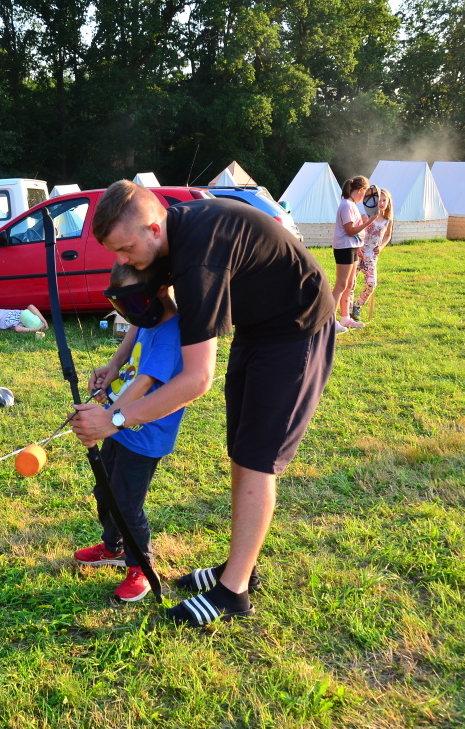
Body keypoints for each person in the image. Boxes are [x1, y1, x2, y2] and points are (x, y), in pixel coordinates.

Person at [71, 180, 335, 627]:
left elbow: (196, 380)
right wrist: (116, 363)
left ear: (153, 228)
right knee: (241, 452)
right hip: (258, 330)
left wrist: (115, 419)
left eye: (125, 249)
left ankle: (234, 592)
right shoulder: (163, 241)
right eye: (116, 252)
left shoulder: (197, 257)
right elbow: (149, 308)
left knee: (257, 460)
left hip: (297, 329)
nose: (122, 261)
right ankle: (240, 566)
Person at [73, 261, 186, 602]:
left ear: (156, 293)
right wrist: (112, 366)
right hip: (120, 426)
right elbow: (133, 334)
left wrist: (107, 418)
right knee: (105, 490)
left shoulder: (170, 333)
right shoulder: (147, 317)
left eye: (132, 303)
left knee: (126, 503)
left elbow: (146, 381)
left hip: (143, 435)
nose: (130, 312)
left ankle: (141, 567)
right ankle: (114, 547)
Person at [332, 176, 382, 333]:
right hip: (344, 248)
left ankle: (345, 317)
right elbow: (350, 231)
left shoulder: (352, 205)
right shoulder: (346, 206)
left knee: (350, 284)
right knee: (341, 285)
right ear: (360, 190)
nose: (365, 197)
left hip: (353, 247)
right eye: (365, 193)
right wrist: (369, 221)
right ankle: (330, 321)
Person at [349, 188, 393, 323]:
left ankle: (357, 306)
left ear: (388, 202)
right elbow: (356, 232)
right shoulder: (366, 217)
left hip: (371, 256)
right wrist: (358, 247)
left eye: (384, 200)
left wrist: (381, 246)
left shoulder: (387, 220)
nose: (381, 203)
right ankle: (348, 311)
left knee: (371, 283)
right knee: (351, 283)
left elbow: (387, 235)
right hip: (359, 254)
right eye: (379, 200)